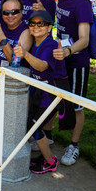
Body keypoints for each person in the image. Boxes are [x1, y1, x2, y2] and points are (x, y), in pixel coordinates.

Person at [13, 10, 75, 174]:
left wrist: (24, 54)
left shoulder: (50, 44)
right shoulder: (36, 43)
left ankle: (50, 161)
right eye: (33, 23)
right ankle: (45, 150)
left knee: (32, 126)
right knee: (33, 124)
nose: (36, 26)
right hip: (41, 92)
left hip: (52, 94)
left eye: (41, 23)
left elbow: (42, 66)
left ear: (49, 27)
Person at [52, 0, 93, 166]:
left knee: (76, 105)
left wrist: (67, 51)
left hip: (76, 62)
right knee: (54, 98)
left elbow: (84, 39)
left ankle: (74, 145)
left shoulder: (82, 3)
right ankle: (47, 135)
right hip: (61, 59)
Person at [0, 0, 33, 144]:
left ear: (22, 11)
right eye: (6, 13)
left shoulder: (26, 32)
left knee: (9, 118)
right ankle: (1, 135)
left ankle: (8, 142)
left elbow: (15, 61)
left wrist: (3, 40)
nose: (10, 16)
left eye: (15, 11)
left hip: (13, 85)